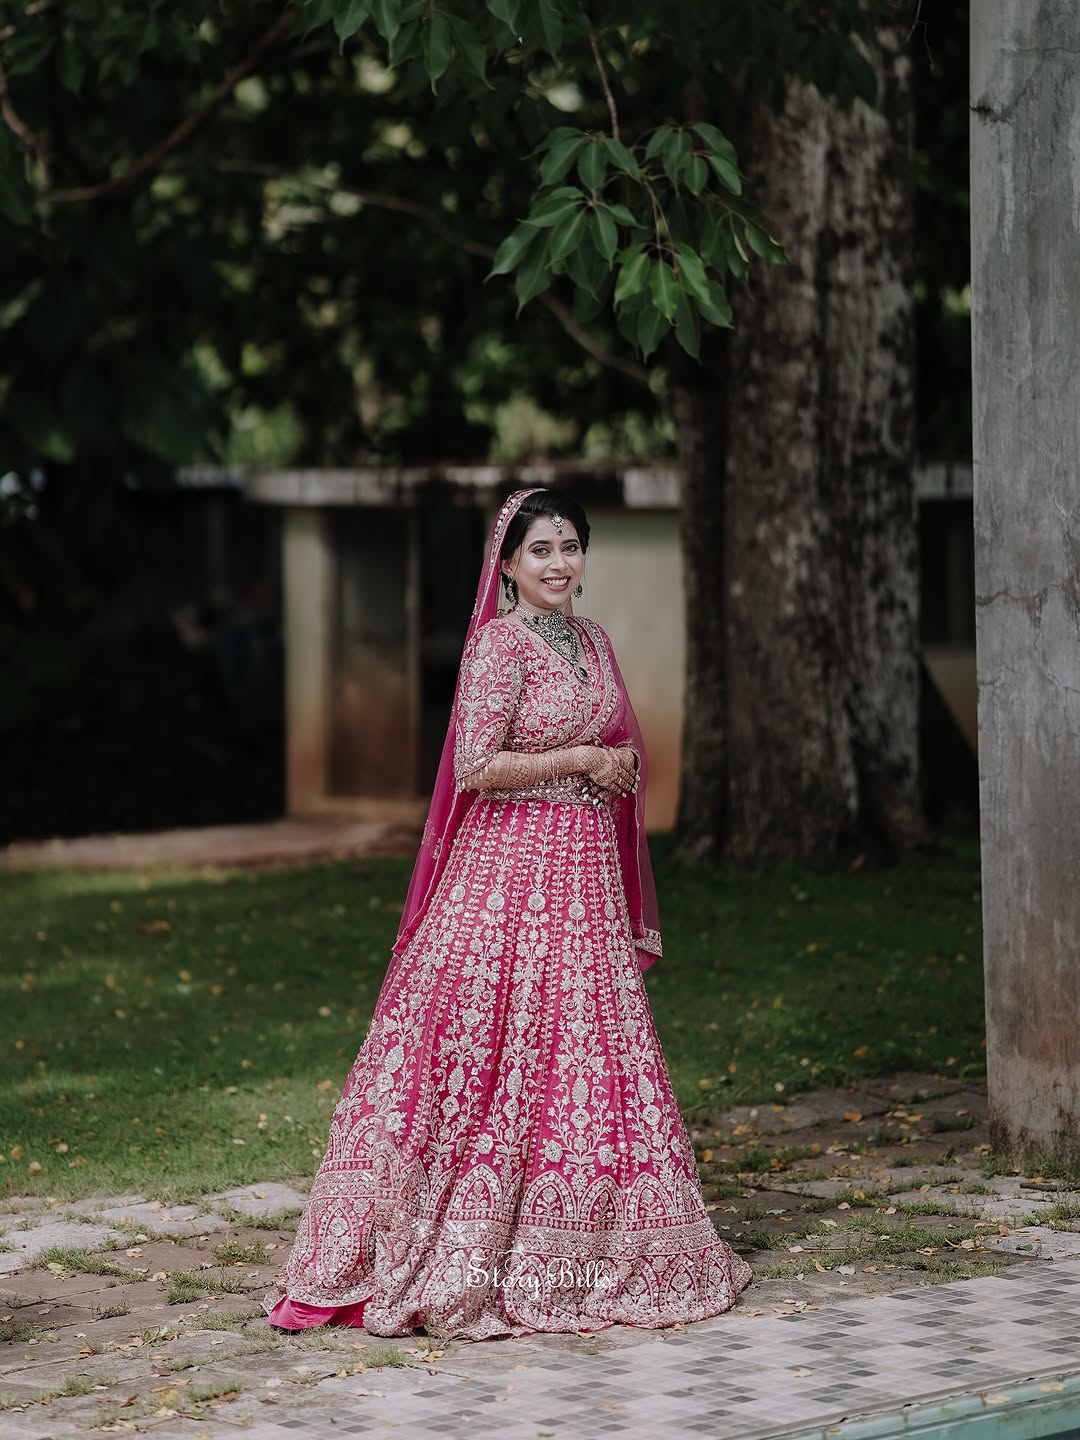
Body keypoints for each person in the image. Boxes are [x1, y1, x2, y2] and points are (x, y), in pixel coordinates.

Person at [263, 488, 752, 1340]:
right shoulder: (498, 647)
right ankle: (459, 1242)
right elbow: (477, 766)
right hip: (508, 877)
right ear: (509, 565)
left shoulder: (593, 640)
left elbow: (617, 742)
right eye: (542, 551)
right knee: (494, 1048)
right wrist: (582, 758)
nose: (560, 563)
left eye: (571, 546)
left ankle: (598, 1242)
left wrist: (619, 765)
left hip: (584, 880)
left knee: (589, 1050)